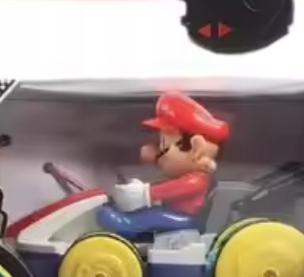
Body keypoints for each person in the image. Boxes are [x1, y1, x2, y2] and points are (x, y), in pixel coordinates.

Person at [98, 92, 229, 238]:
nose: (159, 154)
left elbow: (168, 190)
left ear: (195, 148)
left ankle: (127, 224)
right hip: (173, 212)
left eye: (165, 146)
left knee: (153, 215)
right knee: (153, 211)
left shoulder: (196, 180)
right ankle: (140, 235)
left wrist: (145, 193)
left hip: (184, 218)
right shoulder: (190, 176)